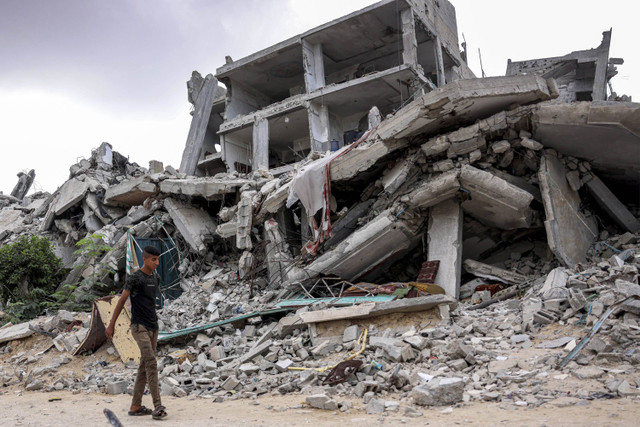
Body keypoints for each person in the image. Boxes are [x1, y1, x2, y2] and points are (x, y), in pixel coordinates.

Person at [106, 245, 167, 420]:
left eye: (158, 259)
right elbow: (121, 302)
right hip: (139, 326)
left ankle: (135, 405)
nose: (156, 262)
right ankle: (158, 405)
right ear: (144, 259)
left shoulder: (156, 277)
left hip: (153, 326)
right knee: (151, 362)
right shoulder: (135, 279)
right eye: (153, 259)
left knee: (144, 366)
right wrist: (111, 325)